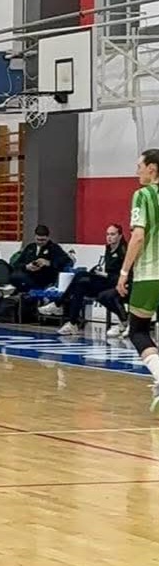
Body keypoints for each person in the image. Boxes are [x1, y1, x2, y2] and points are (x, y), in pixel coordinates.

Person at [117, 149, 159, 411]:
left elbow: (138, 236)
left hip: (150, 274)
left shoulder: (143, 195)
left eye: (140, 167)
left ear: (152, 168)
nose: (137, 172)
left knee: (138, 330)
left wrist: (124, 272)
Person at [39, 224, 129, 337]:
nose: (109, 237)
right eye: (107, 234)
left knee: (81, 276)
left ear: (120, 236)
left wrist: (105, 274)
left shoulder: (123, 251)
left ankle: (58, 304)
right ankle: (72, 323)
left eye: (113, 234)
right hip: (106, 280)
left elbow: (123, 274)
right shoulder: (108, 248)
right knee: (80, 284)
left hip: (117, 282)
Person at [0, 224, 72, 325]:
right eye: (38, 239)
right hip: (23, 273)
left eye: (43, 240)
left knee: (10, 280)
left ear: (47, 238)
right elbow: (17, 264)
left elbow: (68, 262)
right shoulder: (30, 247)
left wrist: (49, 263)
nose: (40, 242)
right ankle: (4, 289)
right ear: (35, 237)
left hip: (36, 280)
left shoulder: (54, 248)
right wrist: (26, 266)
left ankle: (8, 286)